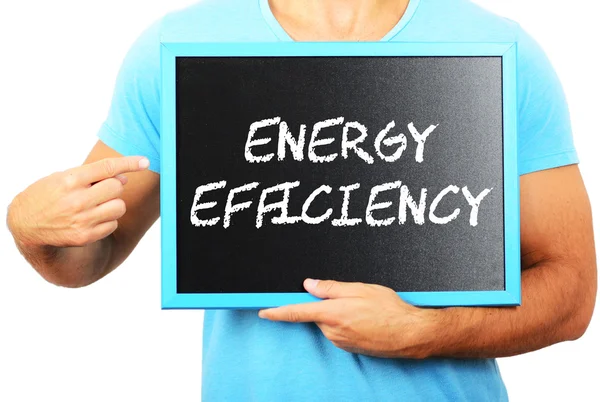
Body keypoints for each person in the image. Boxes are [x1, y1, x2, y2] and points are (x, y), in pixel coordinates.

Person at [6, 0, 597, 400]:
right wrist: (31, 227)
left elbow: (571, 294)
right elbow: (89, 258)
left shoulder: (495, 48)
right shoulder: (179, 46)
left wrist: (424, 332)